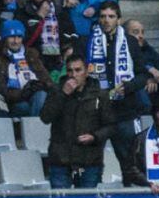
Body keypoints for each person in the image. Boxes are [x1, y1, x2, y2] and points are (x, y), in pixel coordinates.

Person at [81, 0, 148, 176]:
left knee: (131, 162)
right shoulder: (87, 43)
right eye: (102, 16)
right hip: (97, 113)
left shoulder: (131, 42)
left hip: (125, 110)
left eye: (111, 16)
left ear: (118, 19)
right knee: (92, 164)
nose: (106, 20)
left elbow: (143, 75)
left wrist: (128, 86)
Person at [40, 55, 116, 188]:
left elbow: (111, 126)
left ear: (86, 72)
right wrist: (63, 94)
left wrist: (95, 136)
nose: (73, 74)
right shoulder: (56, 90)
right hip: (61, 160)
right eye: (70, 71)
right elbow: (45, 117)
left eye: (78, 70)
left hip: (89, 160)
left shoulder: (100, 94)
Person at [15, 0, 78, 74]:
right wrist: (39, 16)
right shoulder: (22, 13)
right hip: (34, 60)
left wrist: (69, 48)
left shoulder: (60, 11)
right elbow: (25, 40)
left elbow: (72, 33)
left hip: (58, 59)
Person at [0, 19, 53, 117]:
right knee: (24, 107)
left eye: (19, 37)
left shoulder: (31, 54)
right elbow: (0, 88)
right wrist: (24, 93)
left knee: (41, 95)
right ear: (5, 38)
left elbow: (47, 79)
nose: (16, 41)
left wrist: (40, 85)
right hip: (14, 101)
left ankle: (32, 129)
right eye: (12, 37)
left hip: (36, 96)